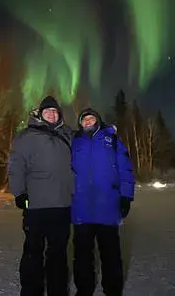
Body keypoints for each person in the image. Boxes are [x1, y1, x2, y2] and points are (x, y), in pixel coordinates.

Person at [8, 95, 75, 296]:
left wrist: (108, 131)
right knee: (33, 253)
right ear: (40, 113)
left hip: (62, 206)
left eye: (55, 111)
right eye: (48, 111)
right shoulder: (25, 137)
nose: (52, 114)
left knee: (58, 254)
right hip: (36, 206)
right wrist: (19, 192)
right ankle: (31, 291)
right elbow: (16, 166)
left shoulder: (68, 134)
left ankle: (58, 291)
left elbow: (90, 135)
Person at [71, 108, 135, 296]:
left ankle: (113, 290)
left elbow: (125, 170)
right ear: (80, 124)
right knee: (82, 256)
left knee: (111, 255)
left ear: (98, 121)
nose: (88, 122)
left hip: (107, 206)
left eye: (91, 118)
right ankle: (84, 290)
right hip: (81, 208)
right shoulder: (75, 142)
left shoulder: (112, 140)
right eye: (85, 120)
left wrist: (126, 196)